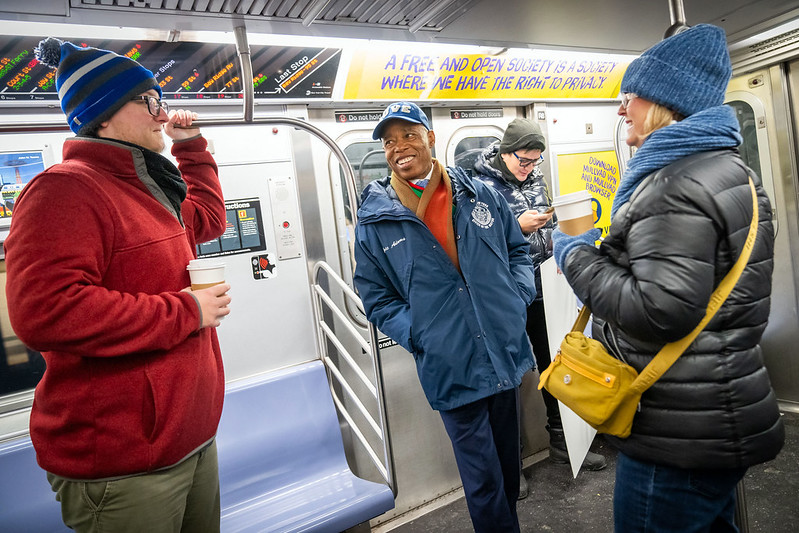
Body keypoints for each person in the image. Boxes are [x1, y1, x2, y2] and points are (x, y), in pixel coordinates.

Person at [551, 24, 784, 532]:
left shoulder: (675, 183)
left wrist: (573, 254)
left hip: (678, 432)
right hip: (711, 408)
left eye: (628, 96)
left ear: (664, 101)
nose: (620, 109)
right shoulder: (725, 170)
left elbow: (660, 311)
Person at [4, 38, 231, 532]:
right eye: (148, 101)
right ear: (103, 114)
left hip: (189, 437)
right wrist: (187, 311)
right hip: (124, 461)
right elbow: (47, 311)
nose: (161, 113)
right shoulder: (65, 191)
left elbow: (209, 219)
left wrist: (191, 150)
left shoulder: (146, 188)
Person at [353, 101, 537, 533]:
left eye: (409, 135)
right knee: (483, 479)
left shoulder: (478, 193)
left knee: (509, 467)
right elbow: (375, 297)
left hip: (501, 349)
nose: (399, 147)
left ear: (430, 138)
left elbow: (517, 250)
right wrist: (419, 334)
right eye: (389, 141)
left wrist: (518, 296)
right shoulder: (375, 220)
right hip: (449, 363)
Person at [473, 119, 607, 495]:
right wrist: (519, 226)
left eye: (535, 161)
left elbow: (543, 232)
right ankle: (510, 462)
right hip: (506, 296)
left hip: (545, 289)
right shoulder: (480, 186)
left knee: (554, 366)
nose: (529, 167)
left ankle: (563, 441)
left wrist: (559, 232)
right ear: (506, 151)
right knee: (510, 377)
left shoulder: (535, 180)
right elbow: (479, 245)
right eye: (523, 159)